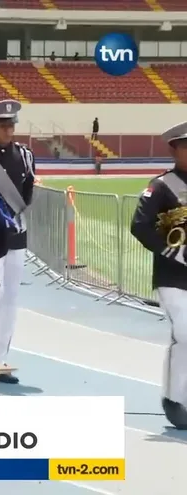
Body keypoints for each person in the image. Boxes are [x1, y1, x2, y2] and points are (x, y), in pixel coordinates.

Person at [130, 121, 187, 430]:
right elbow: (139, 225)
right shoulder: (162, 187)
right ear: (174, 150)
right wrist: (172, 252)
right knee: (186, 333)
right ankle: (175, 400)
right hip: (173, 276)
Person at [0, 99, 35, 385]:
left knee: (11, 300)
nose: (8, 130)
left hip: (15, 235)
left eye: (11, 125)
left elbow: (26, 194)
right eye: (2, 125)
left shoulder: (25, 156)